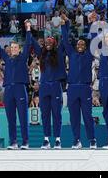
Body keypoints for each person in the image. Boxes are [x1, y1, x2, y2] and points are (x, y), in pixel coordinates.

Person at [60, 13, 97, 150]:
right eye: (78, 44)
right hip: (73, 89)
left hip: (86, 88)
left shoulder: (89, 55)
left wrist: (92, 23)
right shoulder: (71, 53)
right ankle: (76, 140)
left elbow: (93, 41)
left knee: (87, 116)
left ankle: (92, 140)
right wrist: (64, 26)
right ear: (75, 46)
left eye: (82, 43)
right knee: (74, 117)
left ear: (85, 46)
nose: (80, 45)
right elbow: (65, 40)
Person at [30, 22, 67, 150]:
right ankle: (46, 139)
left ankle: (57, 139)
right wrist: (29, 30)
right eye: (46, 43)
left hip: (56, 86)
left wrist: (63, 25)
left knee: (57, 114)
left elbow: (65, 40)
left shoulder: (59, 53)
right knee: (44, 114)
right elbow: (33, 43)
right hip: (44, 87)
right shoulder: (42, 54)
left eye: (51, 42)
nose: (48, 44)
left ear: (54, 44)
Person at [0, 20, 32, 150]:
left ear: (19, 49)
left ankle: (25, 142)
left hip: (20, 88)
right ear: (9, 50)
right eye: (12, 48)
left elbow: (28, 43)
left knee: (23, 117)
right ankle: (13, 142)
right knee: (11, 118)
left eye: (15, 48)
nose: (13, 49)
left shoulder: (23, 57)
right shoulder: (7, 59)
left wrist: (28, 29)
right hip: (8, 89)